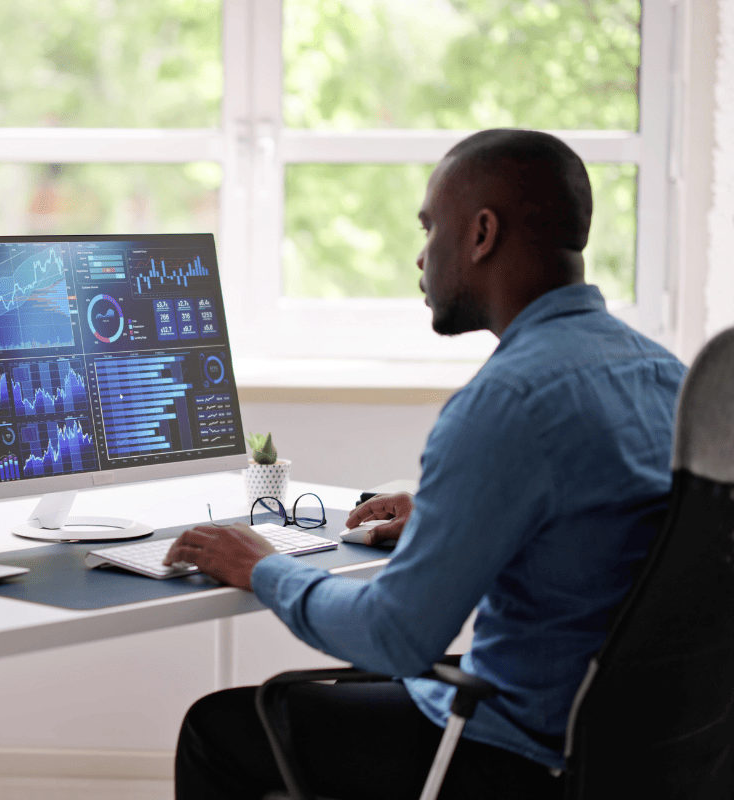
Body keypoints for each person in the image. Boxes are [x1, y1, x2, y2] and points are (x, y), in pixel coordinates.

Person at [167, 129, 687, 800]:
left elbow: (393, 637)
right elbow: (601, 538)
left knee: (218, 731)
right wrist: (448, 519)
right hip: (640, 749)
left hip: (516, 758)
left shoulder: (507, 400)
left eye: (429, 227)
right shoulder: (665, 375)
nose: (420, 257)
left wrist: (261, 566)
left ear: (480, 234)